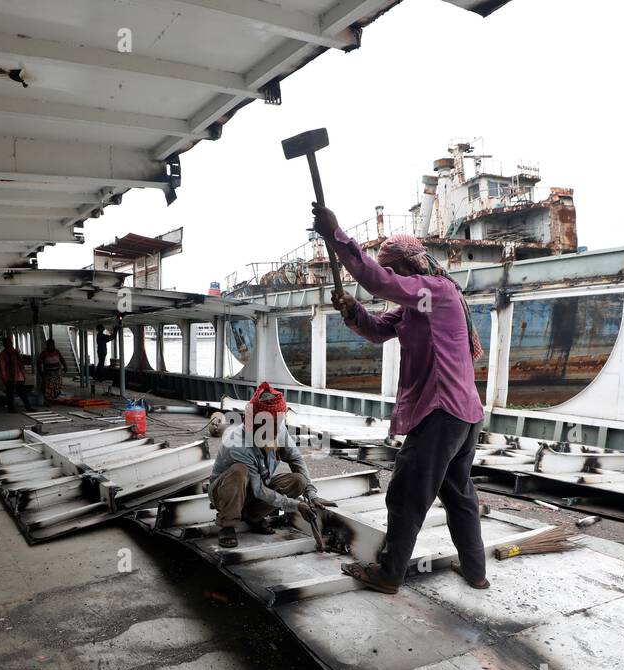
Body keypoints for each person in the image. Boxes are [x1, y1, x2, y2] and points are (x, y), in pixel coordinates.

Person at [312, 201, 489, 594]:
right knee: (458, 494)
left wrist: (336, 236)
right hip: (464, 415)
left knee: (406, 494)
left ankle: (389, 574)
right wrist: (353, 310)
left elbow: (379, 283)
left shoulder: (437, 292)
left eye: (396, 270)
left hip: (442, 413)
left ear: (412, 266)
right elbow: (376, 330)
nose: (394, 278)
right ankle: (476, 572)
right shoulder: (416, 307)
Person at [208, 383, 337, 549]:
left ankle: (252, 516)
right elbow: (258, 490)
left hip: (257, 488)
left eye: (278, 426)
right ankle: (227, 525)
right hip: (226, 493)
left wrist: (312, 495)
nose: (276, 433)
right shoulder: (238, 445)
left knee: (299, 481)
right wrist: (295, 505)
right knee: (239, 471)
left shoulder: (278, 429)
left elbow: (296, 459)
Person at [0, 340, 35, 412]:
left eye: (11, 344)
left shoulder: (15, 352)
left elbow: (20, 364)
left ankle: (28, 407)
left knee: (22, 392)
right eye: (9, 344)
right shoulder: (3, 355)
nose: (10, 345)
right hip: (10, 377)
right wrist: (4, 379)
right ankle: (12, 408)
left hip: (18, 376)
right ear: (5, 345)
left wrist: (23, 375)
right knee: (11, 393)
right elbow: (2, 368)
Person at [39, 338, 66, 402]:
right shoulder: (44, 353)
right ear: (47, 345)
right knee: (48, 388)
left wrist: (65, 366)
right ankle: (47, 400)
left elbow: (61, 359)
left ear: (54, 345)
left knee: (57, 388)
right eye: (50, 345)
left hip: (57, 373)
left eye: (52, 345)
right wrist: (41, 373)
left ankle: (54, 398)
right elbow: (39, 363)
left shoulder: (57, 352)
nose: (51, 347)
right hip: (48, 374)